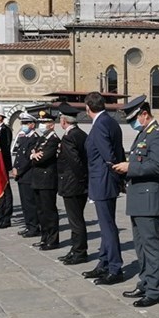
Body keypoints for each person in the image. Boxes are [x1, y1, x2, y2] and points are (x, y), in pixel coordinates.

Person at [112, 95, 159, 305]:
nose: (132, 124)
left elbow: (157, 166)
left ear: (144, 114)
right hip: (138, 200)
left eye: (133, 119)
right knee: (140, 246)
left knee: (152, 246)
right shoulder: (144, 134)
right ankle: (145, 282)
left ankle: (154, 291)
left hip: (149, 201)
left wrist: (130, 167)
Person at [82, 91, 125, 285]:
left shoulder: (100, 124)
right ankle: (104, 262)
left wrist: (113, 173)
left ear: (88, 108)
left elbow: (108, 155)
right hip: (107, 180)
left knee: (107, 226)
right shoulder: (111, 121)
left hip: (103, 180)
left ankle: (115, 267)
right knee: (106, 224)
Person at [56, 103, 89, 265]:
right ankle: (75, 249)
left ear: (64, 121)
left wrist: (80, 179)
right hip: (79, 184)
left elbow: (74, 162)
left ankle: (79, 251)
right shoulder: (81, 134)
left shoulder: (69, 137)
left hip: (72, 183)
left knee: (75, 220)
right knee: (77, 219)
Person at [29, 109, 61, 249]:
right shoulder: (42, 139)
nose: (42, 125)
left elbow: (43, 158)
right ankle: (44, 237)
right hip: (37, 179)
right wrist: (33, 156)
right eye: (40, 122)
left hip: (47, 180)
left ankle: (52, 239)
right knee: (41, 211)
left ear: (52, 125)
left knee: (49, 211)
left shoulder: (53, 140)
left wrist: (34, 157)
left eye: (45, 122)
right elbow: (32, 154)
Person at [12, 112, 40, 237]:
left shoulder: (35, 139)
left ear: (32, 125)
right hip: (21, 175)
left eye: (25, 123)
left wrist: (19, 170)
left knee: (30, 203)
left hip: (28, 174)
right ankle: (29, 225)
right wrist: (14, 167)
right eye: (22, 123)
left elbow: (29, 159)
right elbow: (19, 156)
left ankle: (34, 227)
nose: (23, 125)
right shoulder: (23, 138)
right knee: (24, 203)